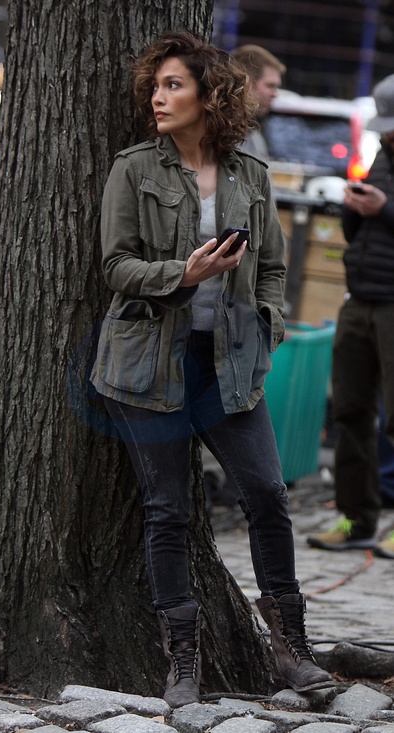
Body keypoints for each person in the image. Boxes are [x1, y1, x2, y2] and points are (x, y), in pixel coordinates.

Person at [91, 31, 333, 708]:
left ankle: (291, 649)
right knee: (167, 510)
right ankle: (183, 661)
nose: (158, 97)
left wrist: (267, 327)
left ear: (210, 95)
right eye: (155, 86)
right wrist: (184, 273)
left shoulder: (249, 172)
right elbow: (114, 265)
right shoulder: (134, 168)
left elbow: (273, 266)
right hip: (147, 361)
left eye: (173, 85)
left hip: (229, 363)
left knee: (268, 494)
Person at [307, 74, 394, 559]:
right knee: (350, 411)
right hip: (360, 299)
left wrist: (384, 209)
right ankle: (357, 519)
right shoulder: (381, 154)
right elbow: (361, 234)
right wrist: (355, 208)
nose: (388, 135)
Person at [232, 44, 285, 161]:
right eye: (270, 85)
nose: (275, 94)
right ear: (246, 84)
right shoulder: (224, 134)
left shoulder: (252, 131)